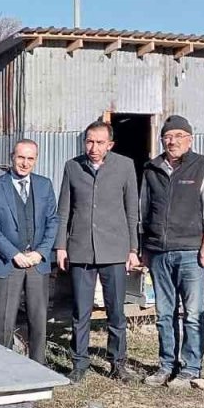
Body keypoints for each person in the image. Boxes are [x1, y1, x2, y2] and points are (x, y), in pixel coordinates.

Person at [140, 115, 204, 388]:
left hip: (191, 251)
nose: (172, 140)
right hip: (159, 252)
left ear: (190, 139)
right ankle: (166, 365)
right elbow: (143, 209)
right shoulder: (151, 169)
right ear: (162, 139)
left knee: (192, 312)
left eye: (178, 135)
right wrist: (143, 248)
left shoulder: (203, 167)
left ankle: (191, 368)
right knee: (164, 314)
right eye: (168, 136)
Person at [56, 121, 141, 384]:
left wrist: (133, 249)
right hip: (80, 250)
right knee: (81, 311)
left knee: (116, 310)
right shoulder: (73, 166)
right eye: (89, 142)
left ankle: (118, 363)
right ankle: (79, 363)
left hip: (114, 251)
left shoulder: (125, 166)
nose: (93, 148)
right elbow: (64, 211)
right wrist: (61, 246)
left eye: (100, 143)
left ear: (110, 145)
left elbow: (131, 211)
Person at [0, 139, 58, 364]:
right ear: (12, 157)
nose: (25, 163)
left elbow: (53, 221)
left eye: (30, 158)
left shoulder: (44, 185)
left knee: (38, 318)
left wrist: (41, 252)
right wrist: (13, 254)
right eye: (21, 157)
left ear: (36, 160)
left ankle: (38, 368)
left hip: (37, 262)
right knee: (3, 320)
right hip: (8, 263)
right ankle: (1, 368)